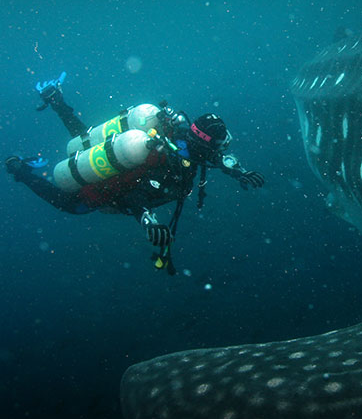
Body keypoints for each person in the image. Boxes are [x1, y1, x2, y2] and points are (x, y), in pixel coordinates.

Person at [6, 73, 265, 274]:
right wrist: (148, 221)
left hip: (125, 159)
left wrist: (238, 171)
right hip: (113, 188)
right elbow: (135, 199)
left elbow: (212, 156)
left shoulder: (182, 135)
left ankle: (57, 103)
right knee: (72, 205)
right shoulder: (171, 167)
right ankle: (20, 170)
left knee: (85, 141)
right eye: (220, 145)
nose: (221, 150)